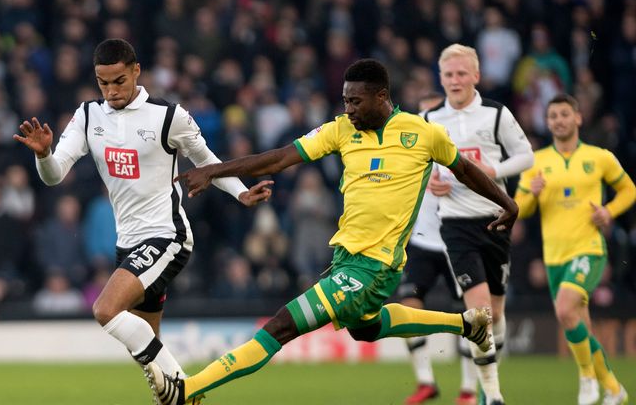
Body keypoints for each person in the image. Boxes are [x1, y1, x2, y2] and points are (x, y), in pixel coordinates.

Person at [146, 58, 519, 405]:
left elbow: (465, 169)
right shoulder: (341, 130)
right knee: (366, 330)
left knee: (280, 326)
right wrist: (216, 170)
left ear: (382, 96)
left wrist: (508, 202)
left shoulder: (422, 133)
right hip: (344, 259)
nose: (348, 109)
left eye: (356, 102)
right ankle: (467, 324)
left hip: (375, 268)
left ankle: (188, 389)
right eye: (344, 101)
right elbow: (279, 158)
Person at [13, 38, 272, 403]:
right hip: (128, 243)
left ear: (136, 71)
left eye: (118, 80)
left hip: (168, 236)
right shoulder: (88, 116)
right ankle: (181, 393)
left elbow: (206, 160)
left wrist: (241, 192)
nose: (111, 90)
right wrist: (43, 155)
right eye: (103, 82)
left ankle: (185, 386)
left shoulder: (168, 116)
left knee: (105, 310)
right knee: (150, 359)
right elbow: (54, 175)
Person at [426, 44, 535, 405]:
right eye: (448, 75)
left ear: (476, 76)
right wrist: (431, 182)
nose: (455, 81)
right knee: (480, 314)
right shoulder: (429, 121)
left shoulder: (495, 114)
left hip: (495, 220)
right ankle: (493, 394)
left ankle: (490, 379)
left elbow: (525, 156)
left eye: (461, 74)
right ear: (440, 78)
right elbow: (419, 167)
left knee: (497, 313)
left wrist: (493, 171)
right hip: (455, 223)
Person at [515, 94, 634, 405]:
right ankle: (614, 389)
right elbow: (520, 208)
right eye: (553, 115)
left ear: (578, 118)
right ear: (547, 121)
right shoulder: (536, 161)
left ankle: (586, 378)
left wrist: (608, 211)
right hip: (555, 256)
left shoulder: (599, 157)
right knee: (577, 322)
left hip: (589, 249)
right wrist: (532, 193)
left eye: (565, 114)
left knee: (565, 309)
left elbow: (629, 189)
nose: (559, 120)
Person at [397, 92, 478, 405]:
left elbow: (480, 182)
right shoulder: (407, 150)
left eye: (432, 114)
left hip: (457, 242)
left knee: (470, 315)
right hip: (422, 243)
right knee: (408, 309)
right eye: (422, 115)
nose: (426, 121)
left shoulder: (457, 148)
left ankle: (469, 390)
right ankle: (426, 382)